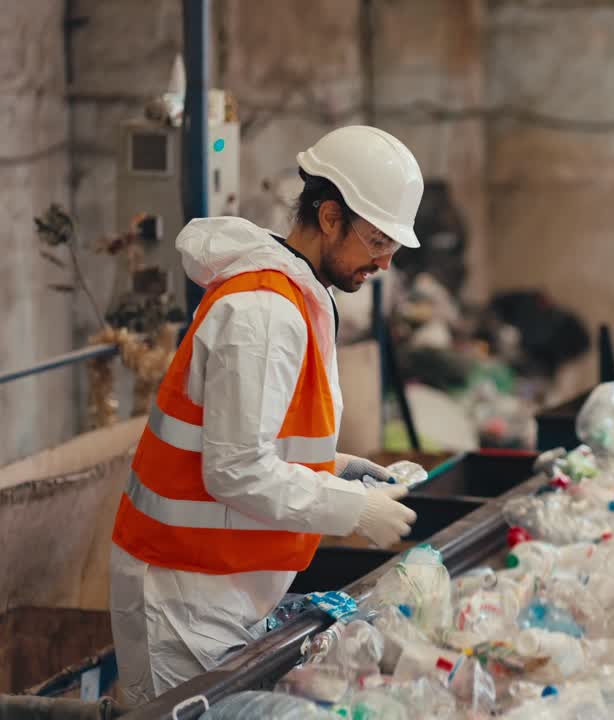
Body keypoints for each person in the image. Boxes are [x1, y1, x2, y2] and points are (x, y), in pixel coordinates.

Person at [109, 125, 427, 705]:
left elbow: (255, 439)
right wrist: (352, 510)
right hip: (183, 600)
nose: (384, 262)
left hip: (219, 588)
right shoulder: (262, 313)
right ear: (330, 217)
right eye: (379, 241)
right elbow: (235, 470)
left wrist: (337, 468)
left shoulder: (294, 298)